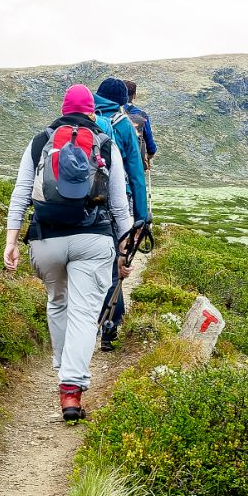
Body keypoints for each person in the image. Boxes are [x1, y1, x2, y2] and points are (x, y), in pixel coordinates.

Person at [4, 84, 134, 422]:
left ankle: (64, 369)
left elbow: (21, 193)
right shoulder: (106, 144)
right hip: (93, 239)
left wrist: (12, 241)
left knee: (57, 302)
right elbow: (120, 206)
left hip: (46, 240)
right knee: (83, 313)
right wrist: (124, 250)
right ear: (92, 112)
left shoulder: (39, 142)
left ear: (63, 109)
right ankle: (71, 389)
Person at [91, 78, 150, 346]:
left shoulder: (83, 119)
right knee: (115, 260)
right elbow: (136, 174)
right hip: (116, 201)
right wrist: (141, 216)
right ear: (123, 101)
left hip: (81, 202)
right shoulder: (124, 125)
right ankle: (110, 325)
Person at [121, 77, 156, 169]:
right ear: (134, 95)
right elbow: (148, 138)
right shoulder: (142, 115)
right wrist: (150, 154)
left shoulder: (113, 112)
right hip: (136, 160)